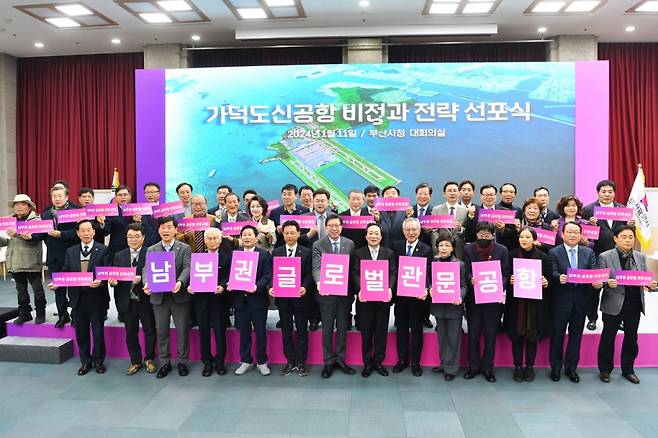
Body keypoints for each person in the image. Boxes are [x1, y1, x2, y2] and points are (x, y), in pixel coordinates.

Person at [596, 225, 658, 384]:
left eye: (630, 237)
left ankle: (628, 369)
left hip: (634, 303)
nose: (628, 240)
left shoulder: (640, 256)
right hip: (613, 302)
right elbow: (598, 280)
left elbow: (643, 277)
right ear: (615, 238)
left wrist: (650, 284)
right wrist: (607, 283)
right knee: (608, 337)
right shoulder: (605, 256)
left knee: (631, 338)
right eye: (624, 237)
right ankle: (605, 370)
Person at [48, 220, 109, 375]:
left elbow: (107, 272)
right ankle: (85, 362)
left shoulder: (103, 249)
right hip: (77, 298)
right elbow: (65, 270)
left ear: (94, 232)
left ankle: (98, 361)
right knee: (81, 333)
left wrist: (101, 281)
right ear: (77, 233)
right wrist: (57, 282)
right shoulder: (71, 251)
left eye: (89, 230)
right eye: (83, 230)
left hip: (97, 297)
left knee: (98, 332)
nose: (86, 233)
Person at [548, 221, 597, 383]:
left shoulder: (588, 252)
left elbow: (593, 273)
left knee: (576, 336)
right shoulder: (554, 252)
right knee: (557, 335)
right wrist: (558, 277)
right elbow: (552, 271)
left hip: (581, 300)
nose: (572, 235)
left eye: (576, 232)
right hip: (561, 300)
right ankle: (555, 367)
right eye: (569, 232)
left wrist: (596, 282)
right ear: (562, 234)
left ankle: (571, 368)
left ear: (580, 235)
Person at [143, 216, 192, 378]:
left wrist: (180, 282)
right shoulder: (151, 249)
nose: (166, 230)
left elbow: (187, 267)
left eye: (169, 227)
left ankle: (182, 362)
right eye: (163, 227)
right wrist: (146, 283)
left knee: (182, 331)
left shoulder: (184, 248)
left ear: (175, 229)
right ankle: (164, 363)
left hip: (179, 296)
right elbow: (145, 269)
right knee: (161, 331)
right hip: (159, 297)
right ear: (158, 230)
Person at [582, 179, 634, 331]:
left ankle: (619, 319)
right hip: (597, 254)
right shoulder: (589, 209)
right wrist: (589, 226)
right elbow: (583, 233)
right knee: (595, 288)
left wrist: (631, 226)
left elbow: (628, 233)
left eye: (610, 191)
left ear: (614, 193)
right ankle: (592, 318)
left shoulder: (622, 209)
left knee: (618, 289)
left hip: (619, 256)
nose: (607, 194)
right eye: (603, 191)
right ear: (598, 193)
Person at [463, 221, 510, 382]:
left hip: (493, 300)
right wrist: (471, 279)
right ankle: (473, 367)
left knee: (490, 336)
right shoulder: (468, 249)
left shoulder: (502, 250)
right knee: (473, 335)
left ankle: (488, 368)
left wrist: (499, 284)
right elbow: (466, 270)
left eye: (487, 235)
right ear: (476, 235)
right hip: (474, 300)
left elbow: (505, 273)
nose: (484, 237)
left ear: (492, 235)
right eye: (481, 234)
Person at [312, 214, 356, 378]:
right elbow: (316, 267)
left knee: (343, 328)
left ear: (341, 226)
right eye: (331, 225)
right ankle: (328, 361)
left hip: (345, 294)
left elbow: (353, 269)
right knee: (328, 329)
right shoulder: (319, 244)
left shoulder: (349, 244)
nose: (334, 228)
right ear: (326, 227)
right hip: (326, 294)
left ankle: (341, 359)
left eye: (337, 225)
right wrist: (319, 283)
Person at [109, 223, 157, 375]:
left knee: (150, 330)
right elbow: (115, 277)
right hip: (127, 300)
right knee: (130, 332)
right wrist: (114, 282)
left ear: (143, 237)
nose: (133, 240)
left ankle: (149, 359)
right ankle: (135, 361)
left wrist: (142, 280)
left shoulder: (151, 254)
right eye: (130, 236)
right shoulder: (119, 255)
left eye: (137, 236)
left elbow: (155, 276)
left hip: (145, 299)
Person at [505, 227, 551, 383]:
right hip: (516, 303)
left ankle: (530, 367)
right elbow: (504, 276)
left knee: (532, 336)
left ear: (534, 239)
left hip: (535, 304)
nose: (523, 240)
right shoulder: (511, 255)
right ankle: (517, 367)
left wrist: (546, 283)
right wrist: (508, 281)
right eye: (521, 237)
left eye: (527, 237)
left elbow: (550, 278)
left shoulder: (544, 258)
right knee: (517, 336)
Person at [226, 225, 273, 376]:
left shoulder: (264, 254)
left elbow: (267, 276)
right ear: (241, 237)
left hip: (258, 300)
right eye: (244, 235)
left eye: (249, 235)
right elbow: (229, 274)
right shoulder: (234, 254)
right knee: (243, 333)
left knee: (260, 333)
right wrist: (229, 283)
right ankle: (245, 360)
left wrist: (256, 287)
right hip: (240, 301)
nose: (246, 237)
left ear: (256, 237)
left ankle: (262, 361)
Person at [353, 223, 396, 378]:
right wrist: (360, 289)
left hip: (382, 300)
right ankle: (367, 363)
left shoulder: (389, 253)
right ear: (366, 236)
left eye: (376, 233)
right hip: (365, 301)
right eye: (370, 233)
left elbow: (392, 273)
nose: (373, 236)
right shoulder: (359, 253)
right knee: (366, 332)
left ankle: (378, 362)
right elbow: (355, 274)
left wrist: (390, 288)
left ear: (381, 236)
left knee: (380, 332)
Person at [270, 220, 313, 376]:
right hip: (283, 299)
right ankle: (290, 361)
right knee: (286, 331)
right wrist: (271, 286)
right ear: (283, 234)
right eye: (286, 233)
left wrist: (305, 286)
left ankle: (301, 362)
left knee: (302, 330)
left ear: (298, 233)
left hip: (300, 298)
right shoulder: (276, 252)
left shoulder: (306, 251)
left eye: (292, 232)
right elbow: (272, 274)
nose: (289, 235)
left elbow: (309, 273)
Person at [392, 217, 432, 377]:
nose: (411, 232)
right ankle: (402, 360)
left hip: (417, 298)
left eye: (414, 230)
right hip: (400, 297)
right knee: (401, 329)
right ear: (403, 231)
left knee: (416, 330)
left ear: (419, 231)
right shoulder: (396, 246)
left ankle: (415, 362)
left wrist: (426, 287)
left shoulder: (426, 249)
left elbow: (428, 272)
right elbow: (392, 269)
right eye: (408, 230)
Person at [188, 227, 231, 376]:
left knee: (220, 333)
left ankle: (220, 363)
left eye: (215, 238)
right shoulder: (197, 257)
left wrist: (223, 286)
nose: (212, 241)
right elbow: (192, 277)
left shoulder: (227, 257)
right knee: (203, 333)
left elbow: (228, 276)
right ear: (204, 241)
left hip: (219, 302)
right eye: (209, 239)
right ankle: (206, 362)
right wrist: (190, 287)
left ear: (220, 240)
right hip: (201, 302)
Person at [1, 194, 46, 324]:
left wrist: (18, 234)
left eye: (22, 204)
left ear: (29, 206)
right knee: (21, 292)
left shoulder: (37, 221)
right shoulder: (9, 221)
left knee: (38, 290)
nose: (19, 207)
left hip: (31, 262)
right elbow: (6, 242)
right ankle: (25, 313)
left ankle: (40, 313)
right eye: (16, 204)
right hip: (14, 261)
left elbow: (36, 239)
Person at [429, 231, 466, 381]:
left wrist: (460, 296)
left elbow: (464, 286)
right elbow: (431, 281)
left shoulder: (460, 265)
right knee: (442, 337)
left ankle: (451, 368)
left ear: (452, 248)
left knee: (453, 339)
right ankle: (443, 363)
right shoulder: (434, 263)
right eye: (441, 245)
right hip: (439, 307)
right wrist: (430, 288)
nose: (443, 248)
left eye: (447, 245)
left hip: (454, 307)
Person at [42, 185, 80, 328]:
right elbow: (42, 234)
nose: (57, 199)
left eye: (60, 196)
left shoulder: (75, 212)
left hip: (71, 256)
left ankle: (75, 315)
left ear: (66, 197)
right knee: (59, 289)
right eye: (54, 196)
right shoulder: (46, 214)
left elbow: (79, 233)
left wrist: (61, 235)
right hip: (54, 258)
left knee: (74, 288)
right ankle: (63, 315)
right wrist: (27, 236)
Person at [431, 181, 470, 260]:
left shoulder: (465, 210)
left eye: (455, 191)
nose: (452, 193)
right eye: (449, 191)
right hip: (442, 249)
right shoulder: (436, 210)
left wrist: (460, 229)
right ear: (444, 193)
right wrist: (437, 250)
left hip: (459, 249)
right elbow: (434, 232)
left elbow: (468, 231)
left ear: (459, 193)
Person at [96, 184, 133, 263]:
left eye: (125, 195)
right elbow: (106, 231)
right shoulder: (111, 211)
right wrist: (102, 223)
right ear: (116, 197)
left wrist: (138, 221)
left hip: (135, 247)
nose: (123, 197)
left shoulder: (137, 210)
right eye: (120, 195)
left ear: (130, 196)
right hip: (117, 249)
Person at [134, 182, 162, 248]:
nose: (150, 195)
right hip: (145, 247)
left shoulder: (165, 210)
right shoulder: (139, 211)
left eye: (152, 192)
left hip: (162, 246)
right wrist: (137, 222)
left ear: (159, 194)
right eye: (147, 192)